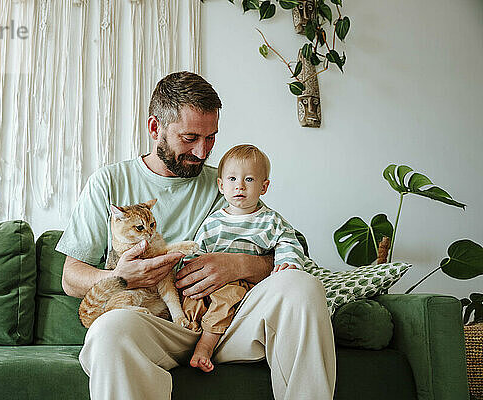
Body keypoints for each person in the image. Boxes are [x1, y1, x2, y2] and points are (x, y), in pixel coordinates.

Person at [57, 71, 336, 400]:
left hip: (226, 319)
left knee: (302, 286)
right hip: (158, 325)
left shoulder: (228, 182)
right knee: (109, 330)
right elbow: (71, 278)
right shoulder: (109, 183)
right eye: (190, 138)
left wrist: (241, 265)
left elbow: (280, 249)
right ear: (155, 128)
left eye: (211, 138)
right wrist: (121, 277)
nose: (203, 152)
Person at [183, 144, 307, 373]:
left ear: (264, 187)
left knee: (227, 298)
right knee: (191, 297)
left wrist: (287, 263)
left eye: (249, 179)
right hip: (210, 284)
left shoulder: (270, 221)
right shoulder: (213, 222)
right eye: (232, 179)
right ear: (221, 185)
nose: (239, 185)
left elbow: (288, 242)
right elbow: (197, 253)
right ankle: (190, 329)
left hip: (244, 289)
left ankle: (206, 345)